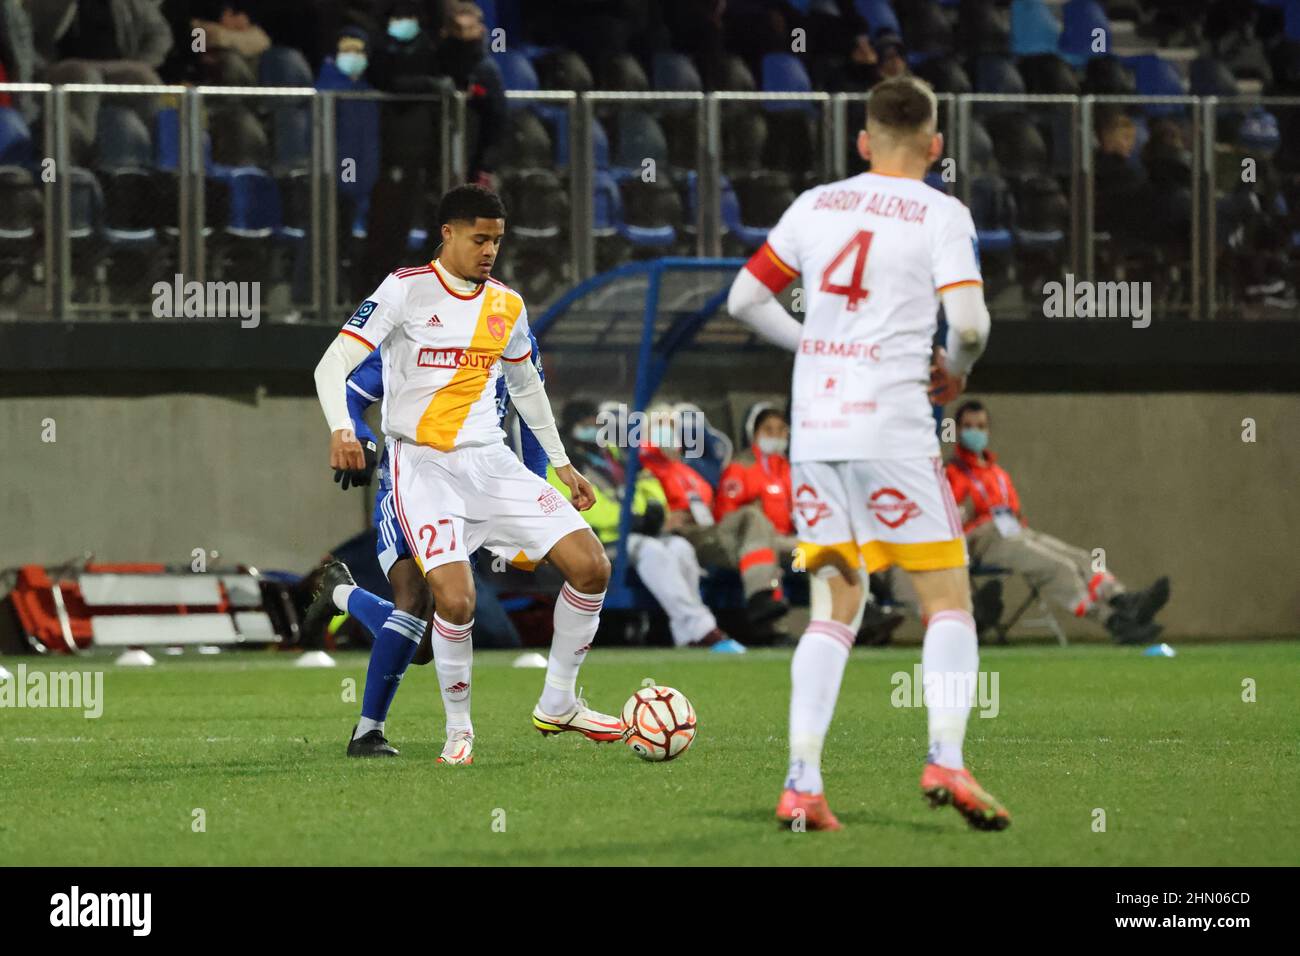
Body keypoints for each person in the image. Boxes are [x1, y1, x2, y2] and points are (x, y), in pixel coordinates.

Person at [727, 76, 1006, 831]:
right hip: (892, 427)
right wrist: (958, 367)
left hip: (817, 431)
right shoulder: (942, 213)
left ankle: (802, 783)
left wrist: (812, 341)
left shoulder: (816, 205)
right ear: (936, 146)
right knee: (947, 598)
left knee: (834, 606)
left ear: (862, 141)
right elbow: (972, 324)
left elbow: (744, 299)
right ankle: (946, 755)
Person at [308, 184, 621, 764]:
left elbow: (527, 387)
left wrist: (562, 464)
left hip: (491, 460)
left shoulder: (508, 305)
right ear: (447, 233)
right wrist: (342, 429)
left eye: (497, 241)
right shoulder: (404, 290)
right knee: (450, 601)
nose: (489, 251)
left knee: (592, 565)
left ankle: (559, 702)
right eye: (480, 238)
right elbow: (334, 364)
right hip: (421, 464)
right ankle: (458, 734)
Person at [943, 400, 1170, 644]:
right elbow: (949, 517)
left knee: (1080, 557)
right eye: (968, 426)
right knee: (1060, 567)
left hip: (1015, 532)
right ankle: (1113, 621)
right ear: (956, 430)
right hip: (983, 539)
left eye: (980, 426)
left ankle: (1122, 599)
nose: (974, 432)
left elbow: (1015, 511)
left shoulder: (997, 473)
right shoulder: (951, 473)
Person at [552, 400, 745, 653]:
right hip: (600, 541)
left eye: (594, 423)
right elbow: (584, 507)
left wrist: (650, 510)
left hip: (636, 532)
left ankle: (688, 633)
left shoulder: (614, 454)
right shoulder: (561, 465)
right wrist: (628, 518)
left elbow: (646, 484)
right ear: (570, 429)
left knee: (680, 547)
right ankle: (703, 629)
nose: (592, 429)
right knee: (651, 550)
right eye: (584, 424)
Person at [639, 403, 790, 642]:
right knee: (751, 516)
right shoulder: (642, 467)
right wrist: (664, 521)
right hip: (683, 536)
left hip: (710, 531)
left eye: (671, 426)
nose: (666, 430)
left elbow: (710, 508)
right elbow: (639, 506)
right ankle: (761, 602)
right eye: (660, 425)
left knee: (804, 546)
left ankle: (860, 611)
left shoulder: (688, 471)